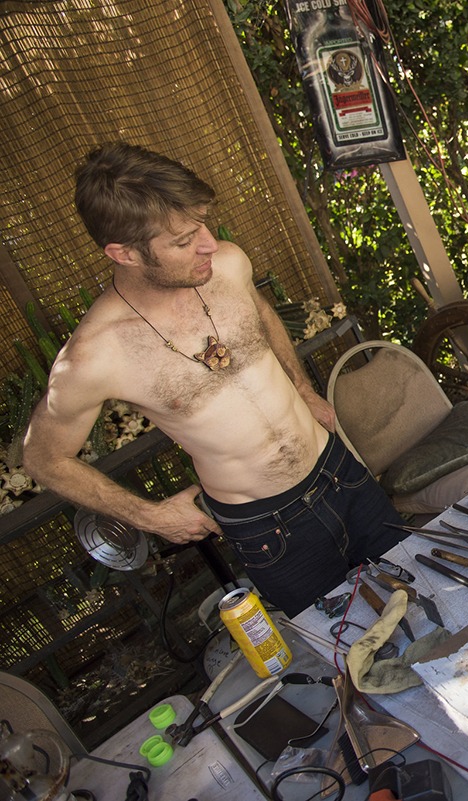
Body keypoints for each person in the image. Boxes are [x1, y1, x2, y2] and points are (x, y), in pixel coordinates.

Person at [23, 142, 405, 617]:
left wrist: (303, 389)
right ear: (123, 253)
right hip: (269, 528)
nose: (208, 242)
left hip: (339, 472)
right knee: (346, 639)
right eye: (183, 241)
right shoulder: (95, 356)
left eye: (202, 223)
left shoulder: (225, 264)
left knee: (418, 582)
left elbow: (259, 310)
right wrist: (151, 515)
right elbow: (43, 457)